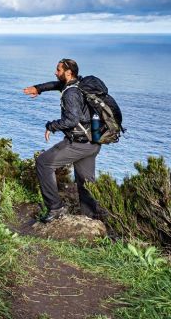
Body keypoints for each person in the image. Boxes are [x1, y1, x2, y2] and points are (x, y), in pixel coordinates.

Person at [23, 58, 104, 222]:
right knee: (85, 183)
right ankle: (91, 218)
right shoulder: (78, 85)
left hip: (79, 143)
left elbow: (72, 120)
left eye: (58, 70)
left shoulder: (71, 94)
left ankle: (55, 207)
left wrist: (51, 126)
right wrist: (38, 88)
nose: (55, 72)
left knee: (43, 163)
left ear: (68, 72)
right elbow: (55, 84)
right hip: (93, 140)